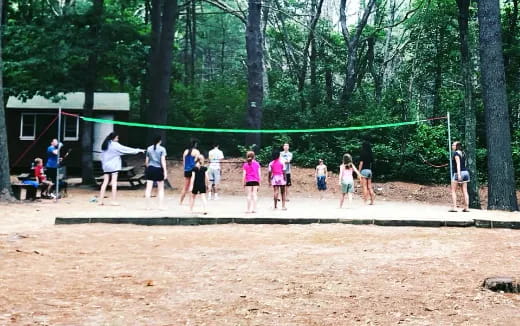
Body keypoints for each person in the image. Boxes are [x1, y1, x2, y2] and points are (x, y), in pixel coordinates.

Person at [98, 132, 144, 206]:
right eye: (117, 138)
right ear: (114, 138)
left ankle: (100, 201)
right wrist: (138, 150)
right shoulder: (115, 145)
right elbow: (125, 149)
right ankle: (113, 201)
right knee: (114, 182)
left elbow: (102, 156)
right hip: (113, 166)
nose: (118, 139)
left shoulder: (105, 144)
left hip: (105, 166)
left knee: (105, 182)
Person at [144, 136, 168, 210]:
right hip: (158, 169)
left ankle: (148, 206)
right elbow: (163, 161)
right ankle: (160, 206)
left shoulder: (149, 148)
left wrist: (148, 168)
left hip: (150, 168)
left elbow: (146, 162)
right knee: (160, 189)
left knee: (148, 189)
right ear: (160, 141)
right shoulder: (162, 149)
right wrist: (165, 171)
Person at [450, 141, 470, 212]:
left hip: (459, 173)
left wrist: (458, 175)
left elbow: (458, 164)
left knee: (453, 190)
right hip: (466, 172)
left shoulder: (456, 153)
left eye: (453, 145)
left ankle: (455, 207)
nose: (452, 146)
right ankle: (466, 208)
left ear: (457, 146)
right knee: (465, 191)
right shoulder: (463, 153)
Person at [180, 139, 200, 205]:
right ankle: (190, 202)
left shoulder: (186, 151)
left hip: (186, 170)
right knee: (192, 186)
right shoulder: (196, 152)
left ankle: (180, 202)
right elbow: (196, 161)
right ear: (195, 144)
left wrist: (185, 168)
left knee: (185, 187)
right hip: (193, 170)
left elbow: (184, 161)